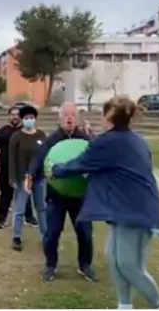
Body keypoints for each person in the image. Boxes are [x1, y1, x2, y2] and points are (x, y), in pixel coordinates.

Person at [49, 97, 159, 309]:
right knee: (114, 258)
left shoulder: (108, 143)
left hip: (137, 210)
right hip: (125, 209)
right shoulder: (134, 139)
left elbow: (79, 164)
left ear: (108, 117)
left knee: (131, 267)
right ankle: (124, 305)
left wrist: (56, 169)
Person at [27, 102, 97, 282]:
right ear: (60, 118)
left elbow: (96, 159)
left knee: (85, 232)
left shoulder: (85, 140)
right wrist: (30, 175)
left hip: (80, 196)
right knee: (52, 233)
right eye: (66, 114)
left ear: (77, 118)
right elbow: (38, 158)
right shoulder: (52, 140)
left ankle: (85, 265)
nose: (69, 117)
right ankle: (50, 265)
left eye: (73, 114)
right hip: (56, 196)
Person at [8, 105, 48, 251]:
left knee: (41, 209)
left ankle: (46, 236)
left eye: (31, 117)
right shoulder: (16, 137)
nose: (29, 120)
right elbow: (12, 159)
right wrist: (12, 179)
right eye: (26, 118)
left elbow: (46, 156)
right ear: (22, 119)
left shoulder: (41, 135)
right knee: (19, 208)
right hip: (21, 178)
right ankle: (17, 236)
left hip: (39, 178)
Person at [0, 106, 37, 229]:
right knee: (5, 195)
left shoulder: (26, 131)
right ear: (9, 116)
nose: (15, 116)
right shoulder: (2, 131)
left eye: (17, 114)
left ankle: (29, 218)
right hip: (6, 168)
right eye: (12, 114)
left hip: (23, 169)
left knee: (25, 193)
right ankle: (2, 220)